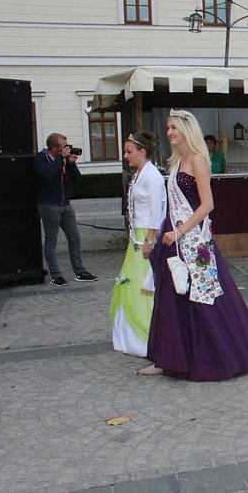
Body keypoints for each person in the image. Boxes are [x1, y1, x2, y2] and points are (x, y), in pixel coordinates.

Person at [138, 109, 248, 380]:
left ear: (187, 129)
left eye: (174, 127)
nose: (170, 132)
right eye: (168, 127)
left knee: (203, 297)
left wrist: (180, 231)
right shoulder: (176, 162)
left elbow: (208, 204)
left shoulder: (197, 160)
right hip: (173, 239)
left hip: (194, 241)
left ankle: (215, 355)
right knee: (171, 299)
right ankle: (167, 358)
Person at [110, 131, 166, 357]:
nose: (125, 156)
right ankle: (132, 332)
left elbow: (157, 209)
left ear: (142, 152)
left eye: (129, 152)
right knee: (132, 283)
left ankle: (148, 334)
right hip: (138, 235)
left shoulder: (152, 175)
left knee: (145, 285)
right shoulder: (140, 174)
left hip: (146, 235)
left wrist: (149, 240)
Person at [34, 133, 97, 287]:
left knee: (74, 238)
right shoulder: (41, 159)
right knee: (51, 241)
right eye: (64, 146)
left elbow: (76, 180)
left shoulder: (61, 160)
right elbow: (47, 175)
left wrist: (71, 163)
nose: (67, 148)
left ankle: (80, 272)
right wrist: (59, 159)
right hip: (49, 205)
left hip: (65, 204)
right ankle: (56, 275)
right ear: (54, 148)